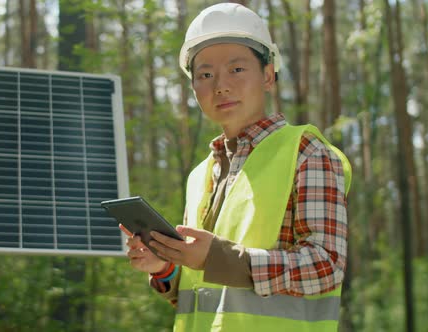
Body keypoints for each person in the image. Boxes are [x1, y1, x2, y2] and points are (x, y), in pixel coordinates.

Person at [120, 3, 352, 332]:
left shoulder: (307, 153)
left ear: (268, 75)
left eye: (237, 69)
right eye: (205, 75)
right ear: (194, 89)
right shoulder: (200, 176)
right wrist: (164, 268)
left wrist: (220, 258)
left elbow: (325, 267)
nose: (221, 85)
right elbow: (204, 292)